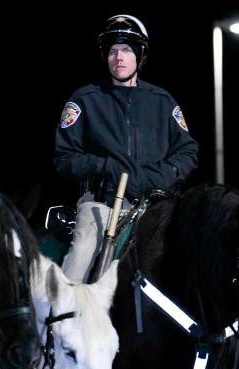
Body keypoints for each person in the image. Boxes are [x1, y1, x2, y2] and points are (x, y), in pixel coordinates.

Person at [54, 14, 198, 282]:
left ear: (140, 56)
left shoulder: (163, 102)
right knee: (81, 254)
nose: (119, 57)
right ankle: (60, 320)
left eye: (127, 50)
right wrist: (107, 167)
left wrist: (158, 177)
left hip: (157, 208)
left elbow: (187, 152)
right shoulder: (85, 99)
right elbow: (64, 158)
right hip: (102, 207)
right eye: (113, 50)